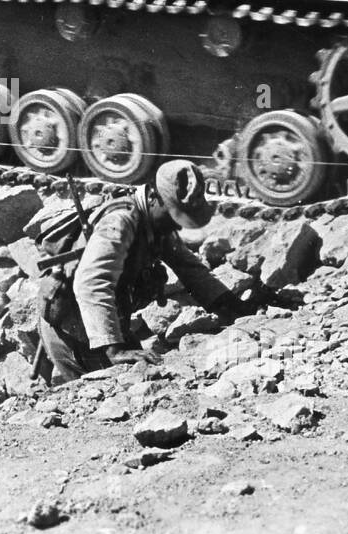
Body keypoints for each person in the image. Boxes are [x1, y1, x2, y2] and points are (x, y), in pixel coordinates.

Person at [37, 160, 245, 385]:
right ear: (154, 198)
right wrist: (114, 350)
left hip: (108, 325)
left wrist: (237, 308)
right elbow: (91, 282)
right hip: (75, 333)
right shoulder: (120, 222)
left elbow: (191, 269)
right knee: (110, 391)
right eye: (174, 215)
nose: (177, 225)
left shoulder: (157, 224)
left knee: (150, 374)